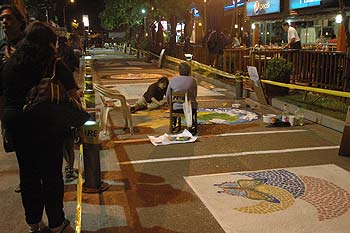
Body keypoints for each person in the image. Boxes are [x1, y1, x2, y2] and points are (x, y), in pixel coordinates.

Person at [0, 21, 79, 233]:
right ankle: (56, 222)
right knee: (51, 173)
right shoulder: (53, 63)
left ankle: (33, 223)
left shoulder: (10, 62)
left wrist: (6, 126)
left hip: (16, 122)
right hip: (46, 123)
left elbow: (4, 97)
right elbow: (74, 94)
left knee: (28, 174)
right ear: (49, 42)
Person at [0, 4, 27, 193]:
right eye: (2, 19)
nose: (4, 22)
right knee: (22, 157)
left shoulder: (30, 46)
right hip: (11, 111)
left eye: (9, 18)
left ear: (20, 22)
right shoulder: (1, 50)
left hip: (33, 110)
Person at [166, 62, 198, 134]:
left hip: (176, 107)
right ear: (189, 71)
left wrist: (170, 105)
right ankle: (191, 124)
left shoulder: (173, 80)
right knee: (192, 104)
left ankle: (173, 124)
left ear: (179, 71)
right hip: (190, 107)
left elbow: (168, 95)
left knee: (174, 106)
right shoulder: (193, 81)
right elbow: (194, 95)